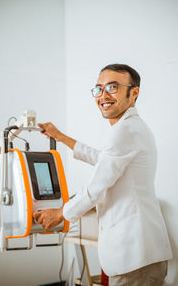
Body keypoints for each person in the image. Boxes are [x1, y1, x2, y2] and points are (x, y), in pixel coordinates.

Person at [33, 64, 172, 286]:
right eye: (98, 89)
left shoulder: (125, 131)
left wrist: (61, 213)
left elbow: (96, 186)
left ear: (133, 93)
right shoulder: (131, 129)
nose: (103, 95)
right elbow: (103, 159)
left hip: (135, 259)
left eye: (113, 87)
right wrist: (60, 136)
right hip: (140, 256)